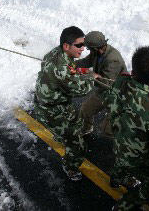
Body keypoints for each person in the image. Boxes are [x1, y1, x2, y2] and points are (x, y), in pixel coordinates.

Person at [103, 46, 149, 211]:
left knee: (121, 160)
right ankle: (125, 205)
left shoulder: (121, 81)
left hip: (118, 140)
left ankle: (116, 178)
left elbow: (109, 100)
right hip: (139, 155)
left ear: (132, 71)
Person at [33, 26, 95, 181]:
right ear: (66, 46)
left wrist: (77, 71)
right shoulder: (60, 69)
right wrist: (92, 77)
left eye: (84, 44)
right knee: (78, 146)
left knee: (77, 121)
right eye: (79, 45)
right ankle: (70, 166)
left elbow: (68, 71)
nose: (83, 49)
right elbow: (80, 90)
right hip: (51, 111)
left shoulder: (56, 52)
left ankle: (63, 135)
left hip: (58, 102)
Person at [76, 31, 127, 135]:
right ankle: (86, 128)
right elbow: (87, 61)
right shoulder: (97, 51)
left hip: (117, 94)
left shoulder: (113, 60)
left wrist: (88, 75)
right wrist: (73, 65)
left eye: (89, 48)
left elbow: (105, 83)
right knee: (85, 110)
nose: (88, 50)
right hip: (104, 90)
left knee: (108, 129)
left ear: (95, 48)